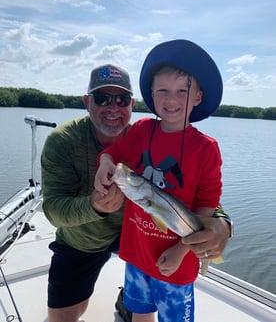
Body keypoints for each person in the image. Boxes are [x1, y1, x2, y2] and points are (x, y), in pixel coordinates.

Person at [41, 62, 232, 322]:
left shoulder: (142, 133)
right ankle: (130, 301)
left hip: (139, 239)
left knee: (152, 297)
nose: (112, 107)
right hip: (84, 240)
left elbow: (198, 197)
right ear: (87, 102)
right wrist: (95, 204)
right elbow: (53, 210)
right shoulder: (63, 141)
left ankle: (128, 303)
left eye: (121, 99)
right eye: (102, 98)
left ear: (132, 104)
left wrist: (223, 225)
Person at [95, 40, 228, 322]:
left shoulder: (206, 148)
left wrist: (181, 250)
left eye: (182, 91)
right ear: (152, 96)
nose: (171, 99)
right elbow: (114, 153)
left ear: (197, 98)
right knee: (140, 314)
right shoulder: (142, 130)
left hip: (176, 264)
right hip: (136, 254)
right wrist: (105, 163)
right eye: (163, 91)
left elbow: (207, 204)